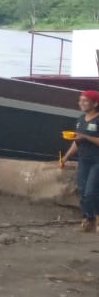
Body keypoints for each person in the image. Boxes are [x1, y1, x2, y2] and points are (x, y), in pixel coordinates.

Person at [62, 89, 99, 231]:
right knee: (82, 190)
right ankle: (88, 219)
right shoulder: (80, 119)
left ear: (95, 103)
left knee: (91, 191)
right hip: (84, 160)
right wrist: (66, 157)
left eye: (85, 101)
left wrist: (85, 137)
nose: (81, 103)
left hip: (97, 161)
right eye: (80, 100)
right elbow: (77, 141)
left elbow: (84, 138)